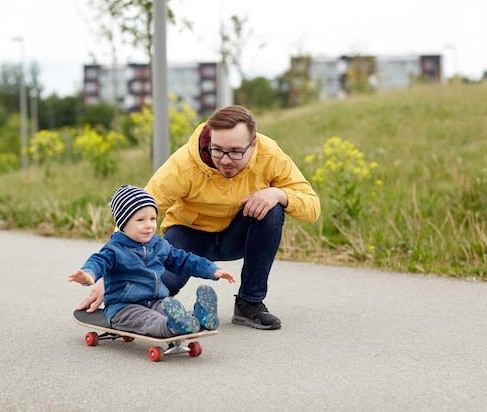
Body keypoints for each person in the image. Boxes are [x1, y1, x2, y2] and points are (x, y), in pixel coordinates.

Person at [77, 105, 320, 330]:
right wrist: (117, 269)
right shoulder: (184, 164)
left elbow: (312, 206)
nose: (225, 160)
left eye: (235, 152)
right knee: (155, 288)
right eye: (218, 150)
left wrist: (278, 193)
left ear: (253, 145)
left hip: (238, 236)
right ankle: (162, 314)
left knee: (272, 208)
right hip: (188, 234)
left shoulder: (270, 155)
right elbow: (137, 214)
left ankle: (249, 303)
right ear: (210, 141)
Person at [69, 184, 236, 338]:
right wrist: (88, 275)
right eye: (140, 220)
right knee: (150, 321)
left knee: (170, 309)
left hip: (156, 301)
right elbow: (98, 262)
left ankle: (200, 318)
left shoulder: (158, 245)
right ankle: (171, 328)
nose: (149, 225)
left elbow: (184, 259)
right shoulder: (114, 249)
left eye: (153, 219)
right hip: (124, 308)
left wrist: (211, 270)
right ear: (123, 224)